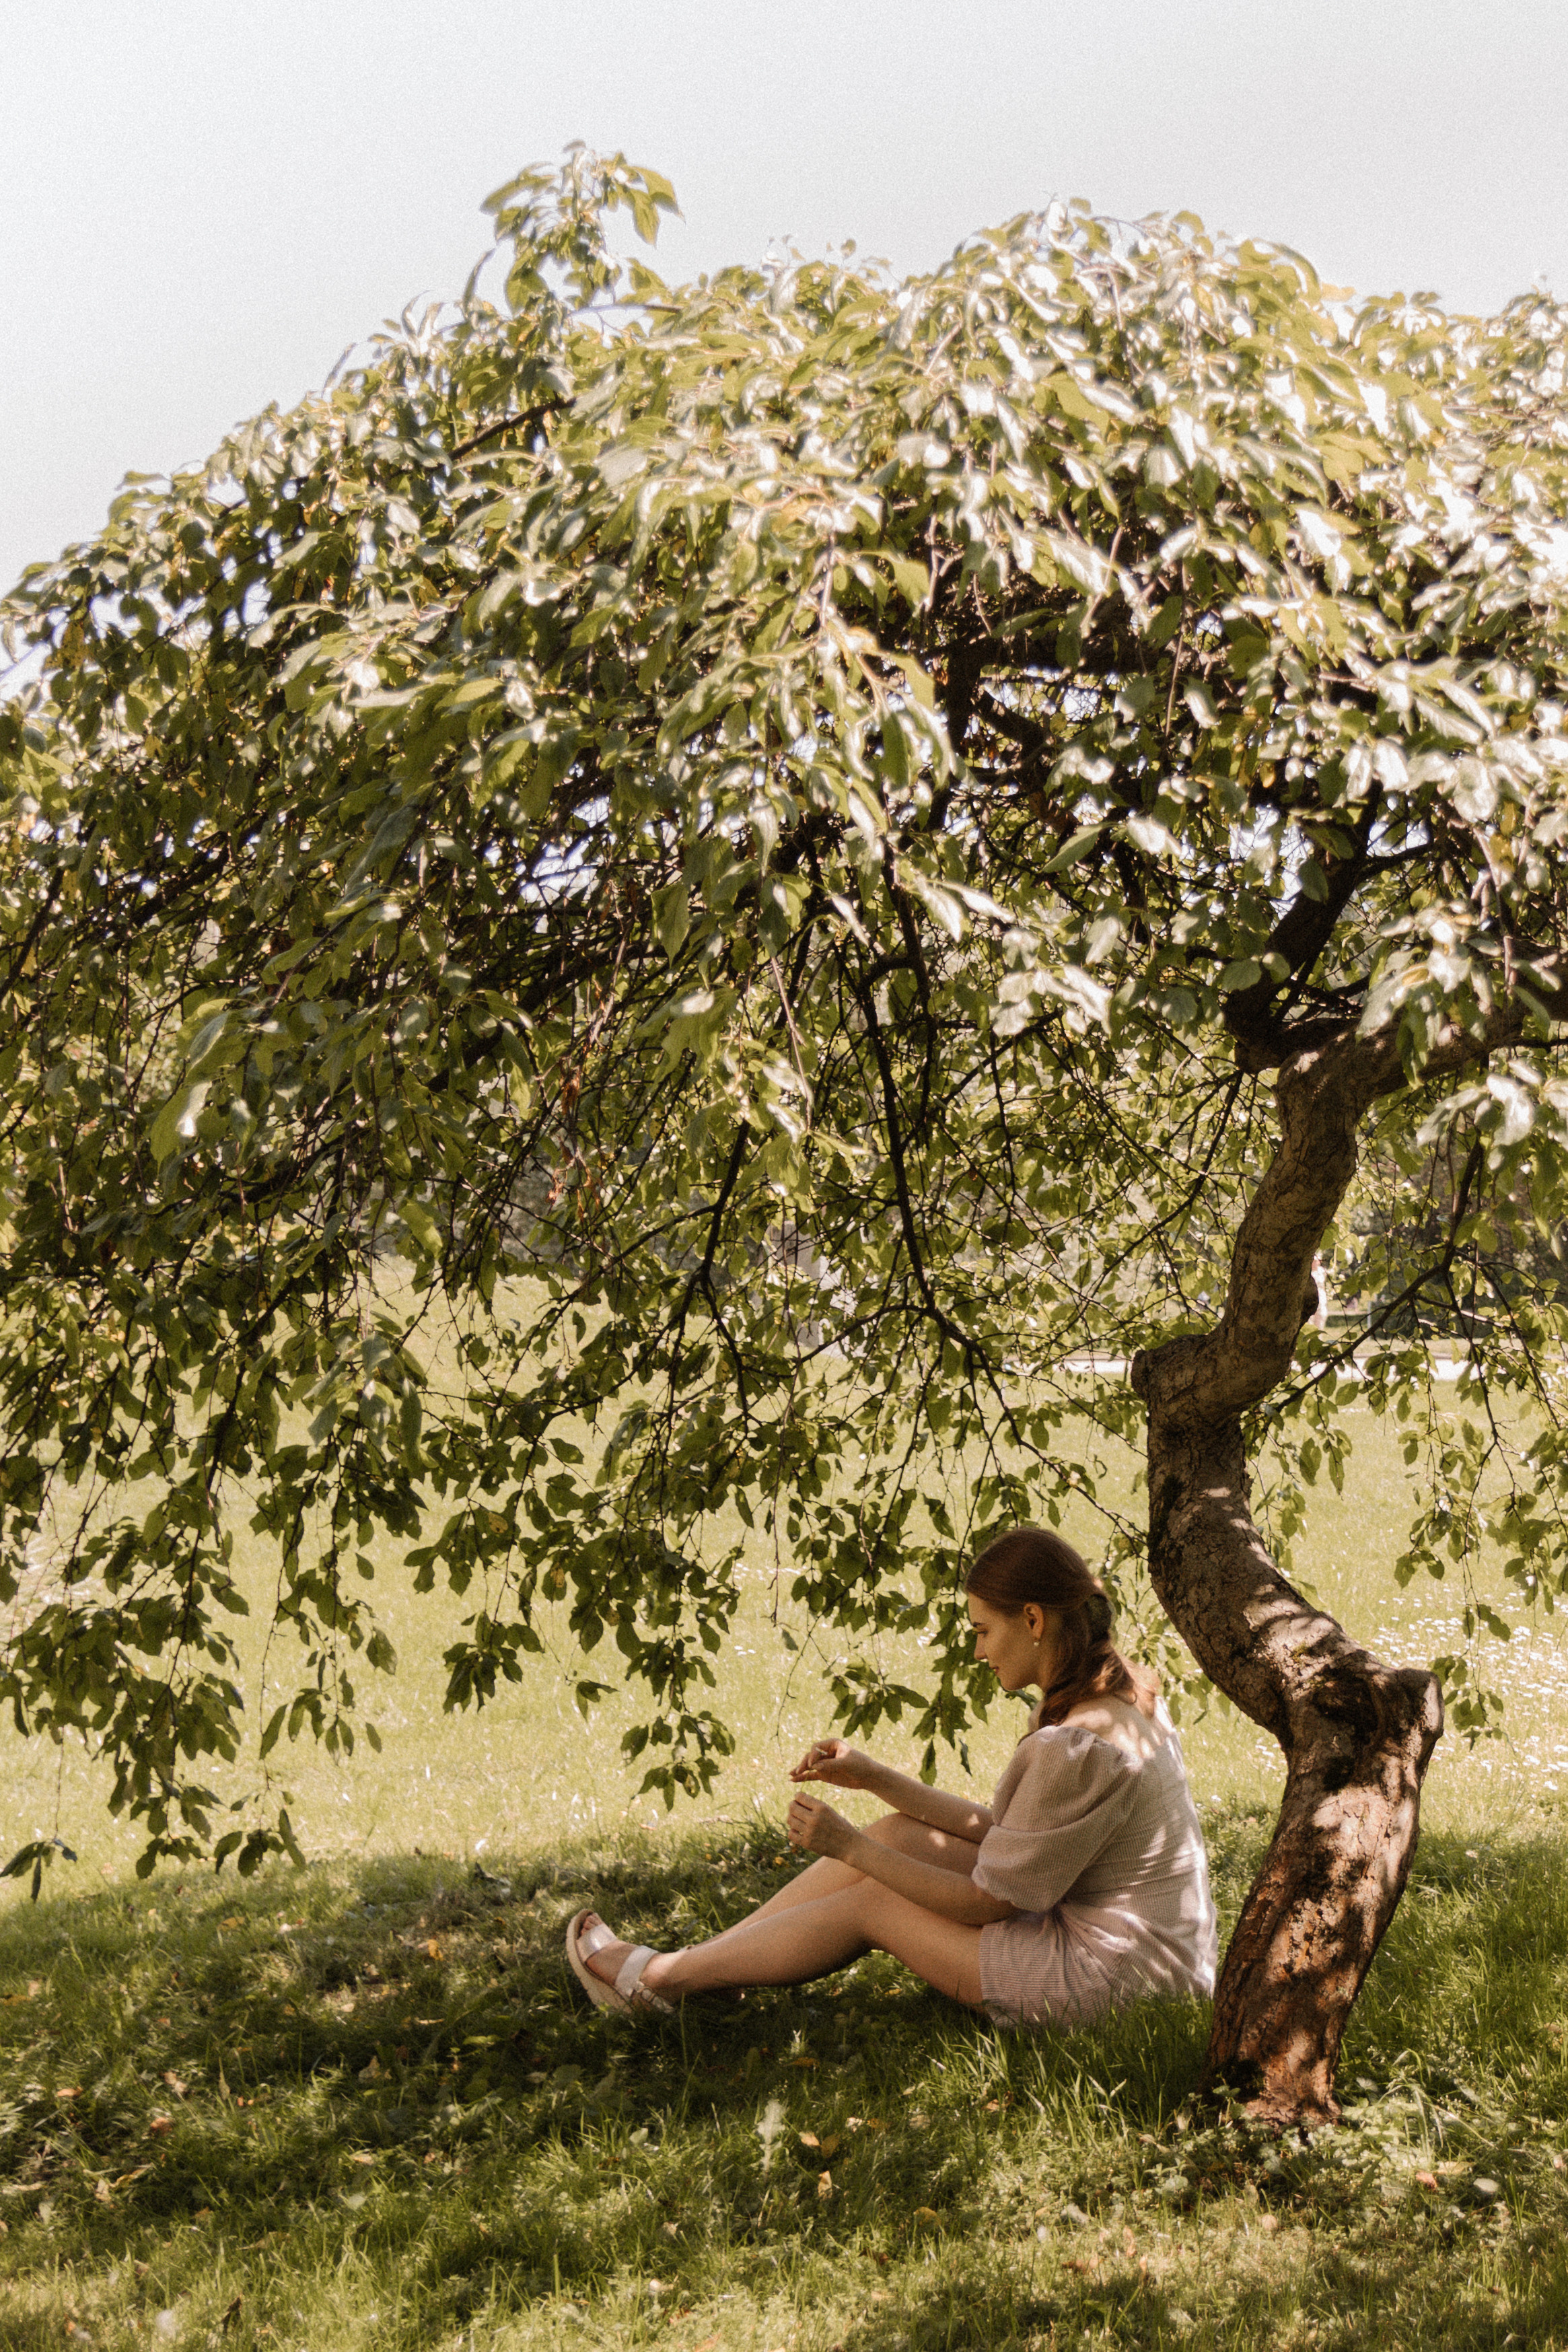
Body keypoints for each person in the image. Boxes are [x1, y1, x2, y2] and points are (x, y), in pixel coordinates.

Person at [565, 1526, 1217, 2028]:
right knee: (904, 1834)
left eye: (982, 1630)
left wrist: (850, 1848)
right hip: (1153, 1960)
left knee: (871, 1899)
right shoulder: (1117, 1700)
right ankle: (711, 1970)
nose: (977, 1651)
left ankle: (653, 1981)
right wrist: (874, 1777)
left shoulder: (1076, 1744)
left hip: (1114, 1981)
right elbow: (1013, 1839)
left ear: (1032, 1619)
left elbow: (995, 1900)